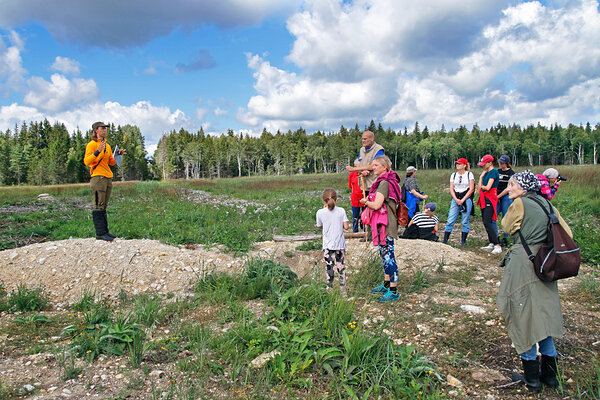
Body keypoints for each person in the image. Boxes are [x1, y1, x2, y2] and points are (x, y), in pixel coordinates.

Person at [497, 169, 572, 392]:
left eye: (512, 185)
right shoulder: (549, 204)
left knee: (523, 317)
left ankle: (531, 379)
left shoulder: (520, 204)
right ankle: (550, 377)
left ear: (523, 187)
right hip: (546, 264)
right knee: (544, 318)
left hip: (524, 264)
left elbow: (507, 227)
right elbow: (566, 232)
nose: (508, 188)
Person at [359, 156, 401, 303]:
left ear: (385, 167)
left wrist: (365, 202)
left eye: (376, 165)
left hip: (386, 225)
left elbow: (377, 205)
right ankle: (386, 283)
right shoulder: (386, 181)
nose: (373, 167)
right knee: (384, 253)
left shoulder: (384, 183)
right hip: (383, 223)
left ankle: (394, 290)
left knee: (388, 256)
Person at [83, 122, 126, 241]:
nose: (104, 131)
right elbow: (87, 161)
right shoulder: (91, 145)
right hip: (98, 177)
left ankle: (105, 232)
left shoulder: (107, 145)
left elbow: (111, 162)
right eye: (102, 129)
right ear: (96, 130)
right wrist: (97, 151)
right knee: (98, 204)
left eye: (105, 129)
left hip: (107, 177)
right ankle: (100, 233)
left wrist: (118, 154)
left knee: (104, 205)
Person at [316, 189, 350, 292]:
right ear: (336, 199)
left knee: (329, 267)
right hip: (339, 244)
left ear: (324, 200)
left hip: (327, 245)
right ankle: (343, 291)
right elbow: (346, 227)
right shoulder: (341, 211)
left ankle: (329, 289)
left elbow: (320, 226)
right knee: (341, 267)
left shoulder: (320, 212)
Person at [442, 158, 475, 246]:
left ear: (464, 165)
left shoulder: (469, 174)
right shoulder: (453, 175)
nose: (458, 165)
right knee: (450, 219)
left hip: (466, 198)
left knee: (465, 220)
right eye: (457, 164)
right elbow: (451, 188)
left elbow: (471, 189)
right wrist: (456, 199)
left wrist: (463, 200)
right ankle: (445, 240)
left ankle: (463, 241)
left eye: (460, 164)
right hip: (456, 197)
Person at [476, 154, 502, 255]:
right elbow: (479, 189)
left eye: (484, 164)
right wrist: (481, 177)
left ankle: (497, 245)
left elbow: (488, 187)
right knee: (485, 220)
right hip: (484, 198)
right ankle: (491, 242)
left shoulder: (494, 172)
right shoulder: (486, 173)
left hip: (490, 198)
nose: (483, 166)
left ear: (490, 163)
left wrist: (482, 185)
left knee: (488, 221)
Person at [493, 155, 516, 246]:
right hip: (497, 195)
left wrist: (499, 196)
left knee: (506, 217)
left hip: (506, 196)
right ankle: (495, 236)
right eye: (500, 162)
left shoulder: (511, 173)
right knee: (493, 216)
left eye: (502, 163)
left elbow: (509, 188)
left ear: (506, 163)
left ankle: (506, 238)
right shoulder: (497, 172)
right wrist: (496, 196)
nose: (500, 164)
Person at [348, 159, 364, 233]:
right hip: (355, 198)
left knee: (365, 215)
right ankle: (355, 231)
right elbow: (350, 186)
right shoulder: (352, 174)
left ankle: (365, 231)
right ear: (355, 166)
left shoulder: (365, 173)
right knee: (355, 216)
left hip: (364, 197)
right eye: (358, 165)